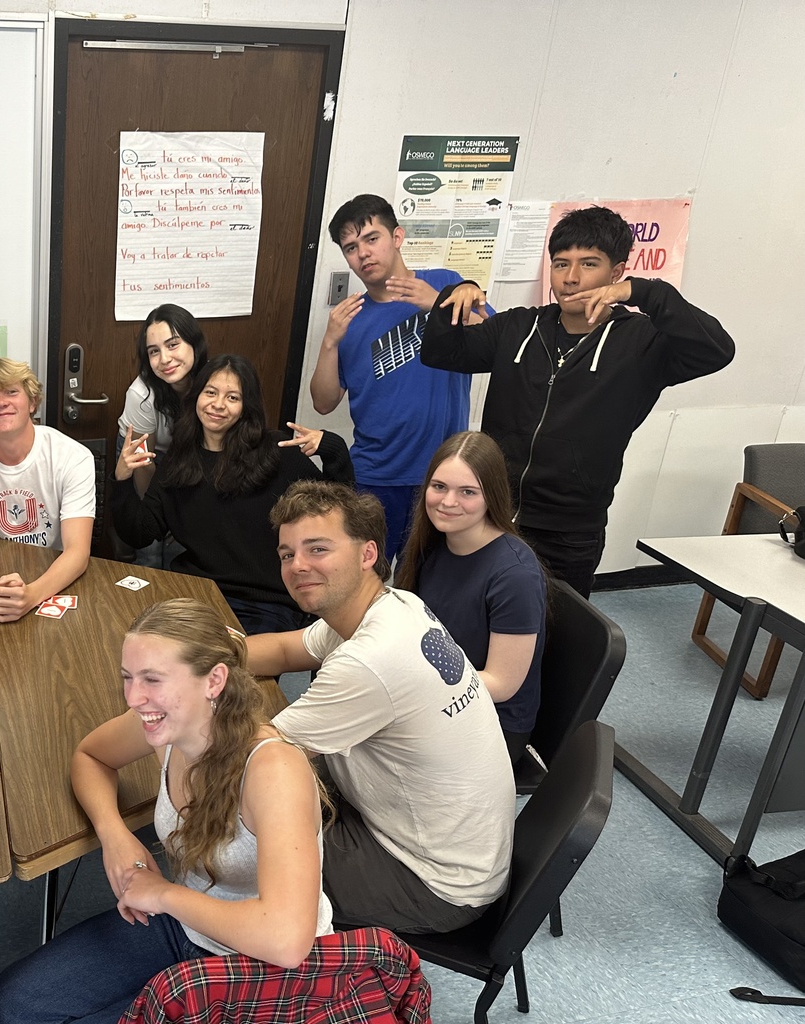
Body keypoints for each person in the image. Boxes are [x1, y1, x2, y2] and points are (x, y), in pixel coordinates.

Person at [0, 598, 332, 1024]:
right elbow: (90, 755)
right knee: (11, 1011)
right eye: (127, 678)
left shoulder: (272, 768)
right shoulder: (168, 728)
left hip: (264, 972)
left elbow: (286, 939)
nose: (133, 697)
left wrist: (166, 894)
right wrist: (115, 833)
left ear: (214, 680)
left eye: (151, 680)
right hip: (188, 930)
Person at [421, 204, 736, 597]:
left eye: (589, 264)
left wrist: (645, 292)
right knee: (472, 620)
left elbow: (717, 350)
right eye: (560, 264)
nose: (570, 278)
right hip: (491, 512)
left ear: (617, 272)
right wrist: (456, 293)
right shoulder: (519, 326)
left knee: (556, 641)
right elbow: (441, 354)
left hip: (570, 530)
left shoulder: (643, 343)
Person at [247, 481, 513, 935]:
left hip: (429, 882)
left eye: (317, 549)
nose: (298, 566)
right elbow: (286, 649)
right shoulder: (392, 604)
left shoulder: (369, 660)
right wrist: (206, 655)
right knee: (272, 794)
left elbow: (252, 754)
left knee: (238, 837)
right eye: (287, 554)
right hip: (451, 845)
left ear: (367, 554)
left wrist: (177, 694)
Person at [111, 354, 354, 635]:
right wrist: (122, 479)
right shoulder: (179, 461)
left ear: (245, 407)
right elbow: (138, 533)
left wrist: (333, 448)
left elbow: (340, 511)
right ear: (196, 398)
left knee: (232, 672)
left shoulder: (277, 451)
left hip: (265, 602)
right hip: (195, 591)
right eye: (210, 393)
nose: (217, 405)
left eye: (232, 397)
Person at [309, 193, 486, 563]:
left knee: (433, 578)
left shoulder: (446, 283)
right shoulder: (351, 316)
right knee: (365, 577)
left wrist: (436, 303)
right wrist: (329, 341)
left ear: (397, 237)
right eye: (351, 247)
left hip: (442, 473)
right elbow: (323, 403)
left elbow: (494, 343)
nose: (363, 254)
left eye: (372, 239)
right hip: (375, 474)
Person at [395, 431, 547, 767]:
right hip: (438, 696)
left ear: (491, 496)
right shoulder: (433, 541)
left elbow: (502, 684)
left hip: (490, 722)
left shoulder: (515, 575)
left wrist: (406, 686)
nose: (448, 502)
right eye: (439, 487)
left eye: (467, 492)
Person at [0, 357, 96, 622]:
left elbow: (77, 552)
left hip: (54, 579)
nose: (1, 403)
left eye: (11, 392)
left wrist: (31, 596)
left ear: (32, 402)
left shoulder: (73, 456)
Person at [116, 303, 209, 496]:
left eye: (172, 345)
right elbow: (142, 463)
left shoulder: (214, 381)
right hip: (149, 456)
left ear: (194, 343)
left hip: (193, 452)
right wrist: (151, 519)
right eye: (154, 351)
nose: (164, 359)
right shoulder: (140, 395)